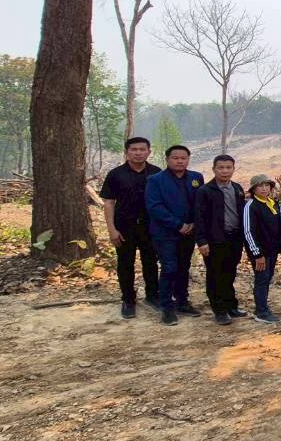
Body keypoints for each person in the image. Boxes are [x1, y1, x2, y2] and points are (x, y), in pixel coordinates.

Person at [99, 136, 161, 318]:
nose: (138, 153)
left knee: (151, 262)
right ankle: (128, 299)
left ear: (149, 152)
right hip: (124, 227)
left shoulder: (156, 173)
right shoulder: (116, 174)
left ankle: (152, 296)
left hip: (150, 227)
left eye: (142, 149)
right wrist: (112, 229)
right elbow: (109, 202)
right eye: (134, 149)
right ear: (126, 152)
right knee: (125, 263)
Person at [144, 144, 204, 326]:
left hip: (189, 233)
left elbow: (200, 203)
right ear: (167, 159)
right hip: (165, 233)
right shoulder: (155, 180)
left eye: (183, 158)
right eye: (175, 158)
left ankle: (182, 302)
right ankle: (167, 307)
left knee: (184, 268)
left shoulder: (196, 177)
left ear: (188, 159)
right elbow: (154, 207)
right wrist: (178, 225)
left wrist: (194, 223)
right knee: (169, 268)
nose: (180, 161)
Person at [194, 154, 246, 325]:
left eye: (228, 167)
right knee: (215, 274)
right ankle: (219, 310)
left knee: (230, 273)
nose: (225, 171)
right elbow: (199, 217)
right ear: (214, 169)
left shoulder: (237, 188)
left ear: (233, 169)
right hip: (214, 240)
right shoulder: (205, 191)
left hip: (234, 239)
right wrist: (202, 241)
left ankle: (231, 306)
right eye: (221, 168)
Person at [243, 174, 281, 324]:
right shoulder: (251, 206)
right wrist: (257, 254)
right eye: (260, 186)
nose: (264, 188)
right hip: (261, 253)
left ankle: (262, 307)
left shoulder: (272, 202)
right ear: (253, 189)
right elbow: (248, 231)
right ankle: (261, 312)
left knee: (267, 278)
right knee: (261, 279)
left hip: (272, 251)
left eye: (267, 185)